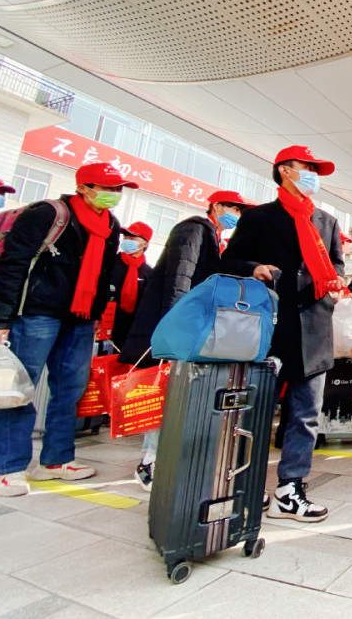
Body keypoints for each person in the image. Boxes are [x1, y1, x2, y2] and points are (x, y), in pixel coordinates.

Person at [222, 145, 347, 523]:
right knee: (255, 411)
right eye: (306, 166)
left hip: (315, 326)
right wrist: (255, 267)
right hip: (270, 327)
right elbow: (229, 260)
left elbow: (338, 262)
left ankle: (290, 488)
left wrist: (338, 279)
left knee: (306, 414)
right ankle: (244, 484)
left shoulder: (327, 221)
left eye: (315, 167)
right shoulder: (260, 217)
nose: (312, 173)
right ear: (284, 171)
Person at [0, 163, 131, 496]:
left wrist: (97, 313)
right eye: (106, 188)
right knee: (17, 390)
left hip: (80, 319)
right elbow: (13, 262)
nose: (114, 195)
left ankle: (55, 461)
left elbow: (104, 273)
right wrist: (0, 319)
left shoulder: (109, 225)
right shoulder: (48, 213)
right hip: (34, 314)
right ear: (83, 187)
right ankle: (9, 468)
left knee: (70, 389)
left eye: (118, 189)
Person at [119, 190, 249, 491]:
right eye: (233, 208)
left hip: (188, 326)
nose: (236, 214)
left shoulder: (213, 235)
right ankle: (149, 461)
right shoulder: (193, 228)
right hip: (173, 326)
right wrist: (172, 328)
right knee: (161, 393)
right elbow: (180, 276)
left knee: (173, 394)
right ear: (215, 206)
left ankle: (163, 458)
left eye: (239, 211)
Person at [107, 221, 153, 349]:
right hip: (105, 326)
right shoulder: (110, 263)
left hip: (131, 331)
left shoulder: (149, 273)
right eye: (125, 237)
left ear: (145, 243)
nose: (127, 240)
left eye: (132, 238)